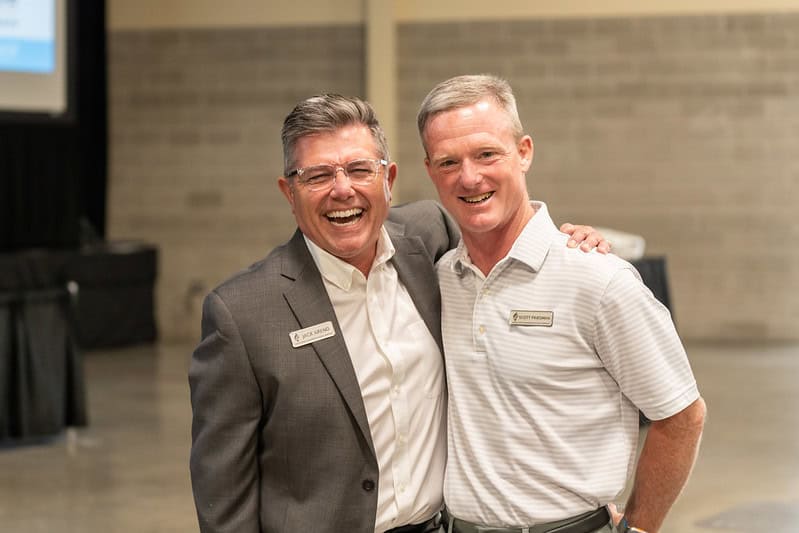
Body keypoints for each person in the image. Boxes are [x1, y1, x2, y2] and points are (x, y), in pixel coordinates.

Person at [189, 93, 607, 533]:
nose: (342, 189)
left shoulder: (429, 240)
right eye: (316, 175)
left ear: (388, 178)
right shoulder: (243, 313)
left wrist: (568, 246)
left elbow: (500, 236)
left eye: (359, 169)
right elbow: (224, 501)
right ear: (288, 192)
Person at [417, 74, 707, 533]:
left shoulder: (597, 280)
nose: (469, 177)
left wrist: (639, 527)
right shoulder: (440, 280)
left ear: (524, 152)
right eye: (448, 161)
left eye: (486, 154)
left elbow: (682, 415)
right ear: (431, 170)